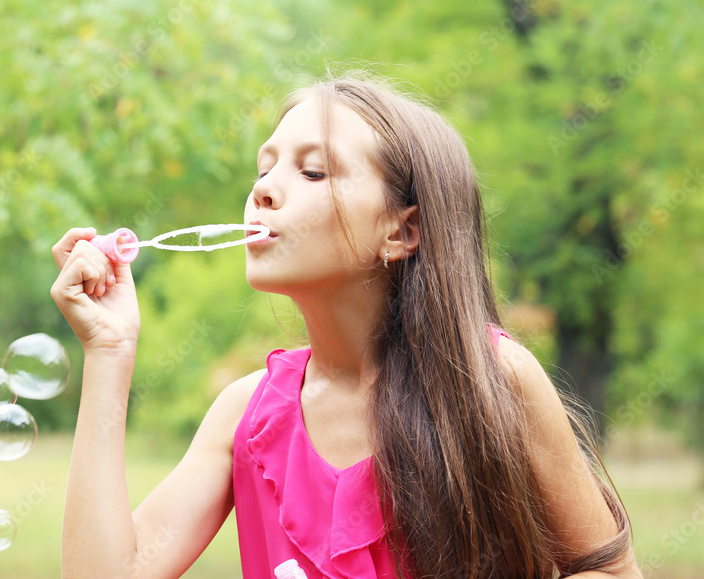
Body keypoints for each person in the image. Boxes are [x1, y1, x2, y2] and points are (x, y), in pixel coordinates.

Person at [50, 72, 642, 578]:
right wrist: (109, 351)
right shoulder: (246, 416)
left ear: (401, 231)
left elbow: (608, 568)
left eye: (312, 173)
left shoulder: (491, 380)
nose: (263, 191)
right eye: (262, 170)